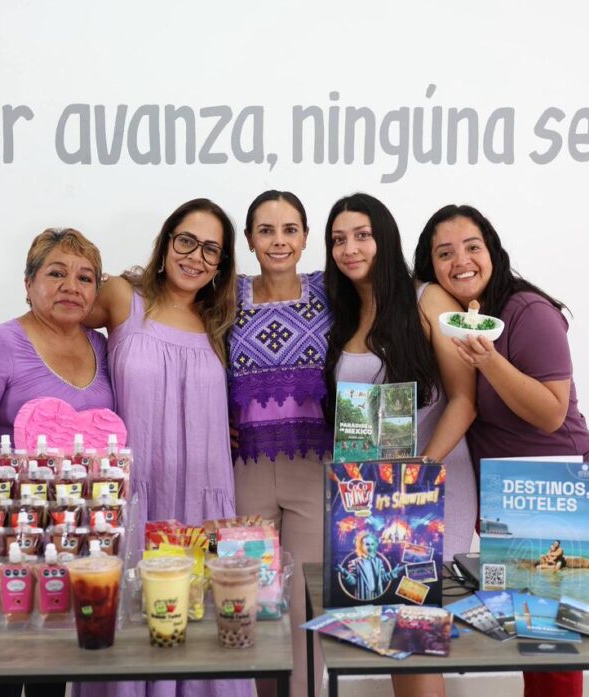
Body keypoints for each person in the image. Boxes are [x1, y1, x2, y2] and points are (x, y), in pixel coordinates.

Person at [413, 203, 589, 697]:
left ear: (493, 253)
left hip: (562, 493)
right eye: (445, 253)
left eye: (472, 247)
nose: (461, 261)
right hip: (509, 500)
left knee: (553, 647)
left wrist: (489, 361)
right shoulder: (455, 319)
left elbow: (551, 413)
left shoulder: (528, 312)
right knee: (531, 643)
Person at [75, 198, 248, 697]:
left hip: (202, 497)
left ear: (221, 263)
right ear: (167, 241)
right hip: (137, 492)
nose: (195, 257)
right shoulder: (121, 296)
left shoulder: (221, 319)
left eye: (211, 249)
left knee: (199, 621)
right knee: (129, 619)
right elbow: (56, 325)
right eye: (187, 241)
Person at [0, 227, 113, 697]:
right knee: (2, 661)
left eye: (85, 278)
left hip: (71, 529)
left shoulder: (103, 347)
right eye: (56, 273)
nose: (71, 286)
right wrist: (19, 488)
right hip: (4, 530)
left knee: (54, 660)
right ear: (28, 282)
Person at [324, 193, 477, 697]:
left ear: (385, 238)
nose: (349, 248)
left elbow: (464, 400)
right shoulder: (346, 314)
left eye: (362, 235)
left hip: (431, 489)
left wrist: (418, 472)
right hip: (373, 496)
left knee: (416, 632)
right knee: (391, 636)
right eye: (338, 240)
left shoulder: (427, 299)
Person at [228, 191, 332, 697]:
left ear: (306, 237)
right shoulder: (226, 295)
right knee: (251, 601)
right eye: (266, 230)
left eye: (290, 229)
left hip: (314, 467)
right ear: (249, 239)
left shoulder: (331, 290)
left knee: (305, 609)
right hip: (245, 467)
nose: (278, 241)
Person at [337, 532, 404, 601]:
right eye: (367, 544)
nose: (370, 547)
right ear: (361, 546)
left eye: (372, 544)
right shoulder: (354, 562)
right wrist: (345, 573)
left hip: (377, 596)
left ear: (375, 546)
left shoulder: (378, 562)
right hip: (362, 597)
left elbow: (382, 578)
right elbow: (353, 582)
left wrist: (392, 574)